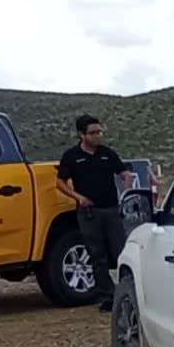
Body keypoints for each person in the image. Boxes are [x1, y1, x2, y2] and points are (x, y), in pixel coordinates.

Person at [56, 114, 132, 312]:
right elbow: (60, 182)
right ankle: (107, 296)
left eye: (99, 132)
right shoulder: (72, 156)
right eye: (92, 133)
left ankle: (128, 293)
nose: (97, 136)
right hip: (89, 212)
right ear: (82, 135)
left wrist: (126, 194)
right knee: (97, 254)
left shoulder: (107, 153)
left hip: (111, 209)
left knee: (120, 251)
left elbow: (125, 174)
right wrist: (78, 197)